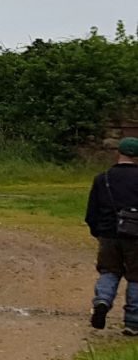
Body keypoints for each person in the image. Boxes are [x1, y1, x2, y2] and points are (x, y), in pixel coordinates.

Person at [87, 137, 138, 334]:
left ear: (119, 153)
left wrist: (98, 232)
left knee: (109, 271)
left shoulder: (103, 178)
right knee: (135, 276)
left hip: (108, 233)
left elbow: (92, 212)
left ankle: (102, 301)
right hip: (135, 235)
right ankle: (133, 322)